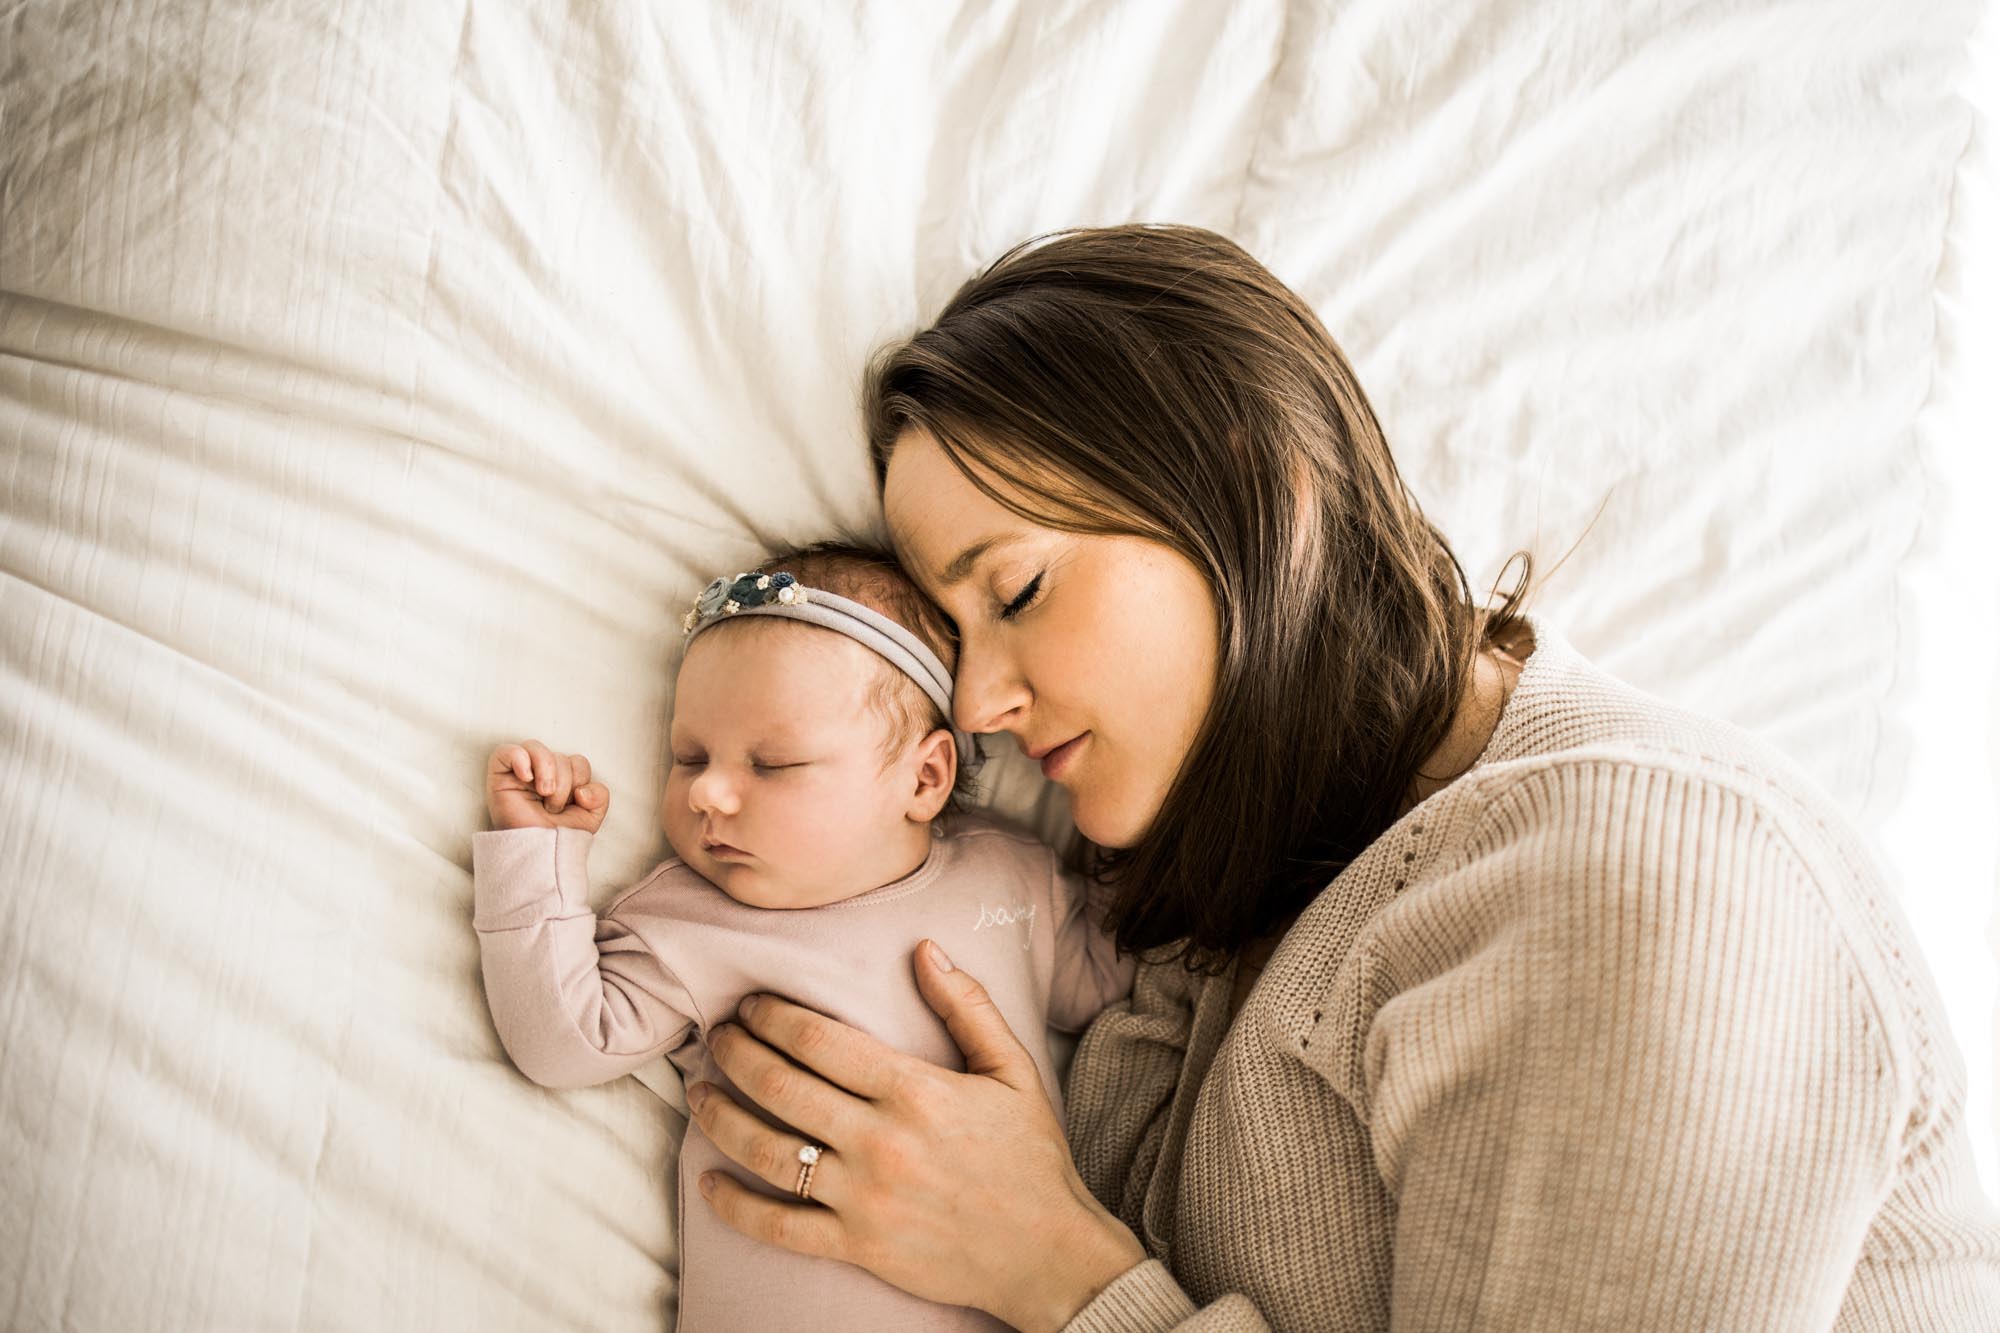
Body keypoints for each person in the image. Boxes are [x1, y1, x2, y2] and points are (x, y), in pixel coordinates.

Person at [677, 225, 2000, 1330]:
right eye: (953, 640)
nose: (975, 706)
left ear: (1266, 491)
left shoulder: (1641, 879)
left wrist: (1059, 1271)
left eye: (1018, 587)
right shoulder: (1221, 925)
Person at [471, 544, 1135, 1332]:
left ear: (924, 779)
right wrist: (535, 855)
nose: (710, 791)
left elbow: (1118, 980)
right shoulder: (691, 920)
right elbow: (561, 1040)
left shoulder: (1008, 882)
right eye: (689, 757)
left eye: (774, 762)